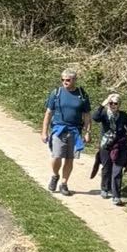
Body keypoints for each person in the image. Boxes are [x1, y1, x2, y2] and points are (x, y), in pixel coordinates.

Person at [42, 66, 92, 196]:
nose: (65, 82)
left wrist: (88, 132)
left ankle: (64, 183)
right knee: (57, 156)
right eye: (63, 80)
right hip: (59, 129)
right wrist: (44, 131)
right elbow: (48, 113)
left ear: (74, 80)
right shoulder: (56, 93)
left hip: (75, 131)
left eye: (68, 80)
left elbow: (87, 114)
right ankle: (55, 175)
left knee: (70, 159)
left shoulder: (82, 95)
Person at [94, 92, 127, 205]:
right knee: (107, 167)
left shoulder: (123, 115)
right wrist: (102, 104)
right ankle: (105, 188)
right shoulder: (104, 113)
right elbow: (95, 118)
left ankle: (116, 196)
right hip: (106, 145)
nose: (113, 105)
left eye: (115, 103)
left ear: (119, 105)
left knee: (117, 170)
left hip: (120, 145)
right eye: (111, 103)